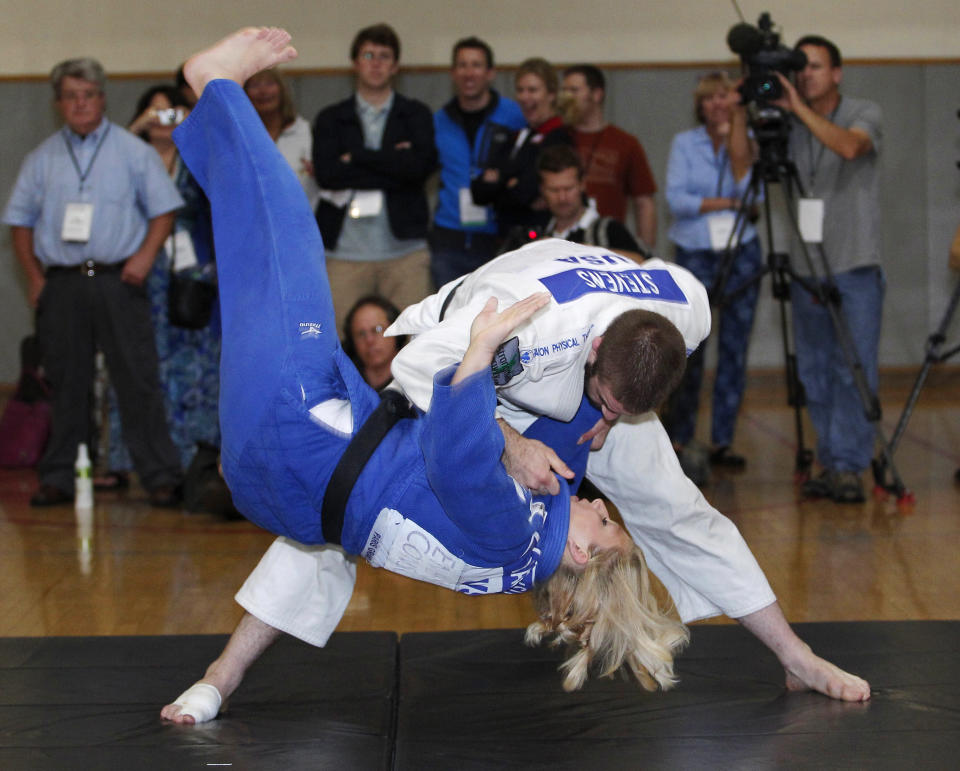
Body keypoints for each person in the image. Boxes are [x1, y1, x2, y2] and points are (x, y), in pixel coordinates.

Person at [161, 29, 688, 723]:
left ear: (586, 552)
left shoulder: (514, 535)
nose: (599, 505)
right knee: (257, 269)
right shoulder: (527, 538)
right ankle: (218, 681)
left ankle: (213, 86)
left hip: (299, 429)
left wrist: (478, 352)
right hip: (296, 477)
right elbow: (539, 452)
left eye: (606, 521)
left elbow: (457, 453)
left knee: (286, 232)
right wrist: (586, 420)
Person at [2, 57, 184, 507]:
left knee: (137, 379)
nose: (80, 104)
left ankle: (160, 475)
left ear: (102, 99)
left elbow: (165, 210)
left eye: (89, 95)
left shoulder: (133, 151)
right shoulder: (41, 159)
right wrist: (34, 277)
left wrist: (143, 259)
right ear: (58, 103)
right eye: (71, 96)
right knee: (65, 381)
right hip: (62, 284)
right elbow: (19, 222)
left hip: (118, 280)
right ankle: (60, 475)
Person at [771, 36, 883, 504]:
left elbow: (851, 148)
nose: (806, 74)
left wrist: (797, 109)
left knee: (851, 370)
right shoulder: (786, 122)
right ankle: (830, 458)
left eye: (815, 66)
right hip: (805, 269)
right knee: (815, 371)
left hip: (854, 264)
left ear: (837, 72)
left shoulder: (864, 110)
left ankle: (850, 467)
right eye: (800, 67)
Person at [97, 86, 221, 481]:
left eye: (172, 114)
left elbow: (218, 199)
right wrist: (132, 131)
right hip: (137, 268)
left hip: (191, 274)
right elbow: (99, 180)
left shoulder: (196, 158)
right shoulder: (128, 156)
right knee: (138, 362)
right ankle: (130, 458)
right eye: (155, 114)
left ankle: (192, 459)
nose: (163, 122)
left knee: (193, 366)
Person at [662, 72, 761, 476]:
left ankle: (724, 440)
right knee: (691, 347)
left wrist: (738, 136)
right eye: (710, 98)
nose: (718, 104)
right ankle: (680, 436)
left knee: (735, 351)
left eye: (725, 97)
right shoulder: (686, 143)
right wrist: (726, 202)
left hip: (742, 250)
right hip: (696, 251)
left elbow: (755, 196)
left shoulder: (749, 140)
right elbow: (677, 199)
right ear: (700, 104)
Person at [313, 23, 435, 332]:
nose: (376, 63)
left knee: (414, 342)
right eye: (368, 55)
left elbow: (419, 169)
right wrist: (393, 162)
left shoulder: (416, 114)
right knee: (341, 343)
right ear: (355, 62)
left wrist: (355, 158)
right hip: (344, 254)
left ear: (395, 66)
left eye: (384, 56)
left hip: (404, 253)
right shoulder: (331, 117)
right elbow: (328, 175)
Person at [430, 37, 526, 288]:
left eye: (476, 65)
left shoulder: (514, 115)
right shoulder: (439, 120)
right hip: (449, 238)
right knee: (449, 318)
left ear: (490, 73)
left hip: (499, 237)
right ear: (452, 73)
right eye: (462, 65)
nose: (469, 73)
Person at [469, 57, 572, 238]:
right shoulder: (516, 135)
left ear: (551, 94)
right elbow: (479, 192)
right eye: (520, 90)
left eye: (532, 90)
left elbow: (525, 192)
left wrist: (500, 181)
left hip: (538, 238)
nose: (525, 97)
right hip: (507, 238)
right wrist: (509, 183)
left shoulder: (559, 137)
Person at [561, 64, 658, 248]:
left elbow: (644, 202)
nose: (567, 98)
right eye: (564, 91)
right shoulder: (558, 138)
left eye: (574, 90)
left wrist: (645, 253)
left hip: (609, 241)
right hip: (564, 240)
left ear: (597, 94)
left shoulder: (625, 143)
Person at [522, 143, 646, 261]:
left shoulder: (608, 230)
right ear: (542, 190)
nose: (562, 198)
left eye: (568, 188)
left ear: (582, 184)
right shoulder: (537, 230)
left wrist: (586, 252)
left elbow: (643, 262)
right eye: (554, 190)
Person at [244, 68, 319, 209]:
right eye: (255, 85)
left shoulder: (306, 133)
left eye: (270, 84)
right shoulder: (239, 137)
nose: (263, 91)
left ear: (282, 91)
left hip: (302, 222)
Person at [342, 295, 407, 391]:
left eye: (377, 329)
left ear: (396, 331)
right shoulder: (343, 384)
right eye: (361, 334)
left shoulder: (414, 379)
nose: (369, 340)